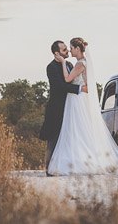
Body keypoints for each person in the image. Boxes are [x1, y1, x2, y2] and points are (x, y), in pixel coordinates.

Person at [47, 37, 118, 176]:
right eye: (65, 49)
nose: (69, 50)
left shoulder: (77, 64)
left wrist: (64, 63)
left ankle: (79, 161)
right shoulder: (75, 63)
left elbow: (67, 80)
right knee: (75, 130)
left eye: (70, 48)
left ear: (77, 49)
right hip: (74, 100)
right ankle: (76, 158)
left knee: (77, 129)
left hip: (77, 101)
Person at [39, 40, 88, 177]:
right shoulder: (52, 67)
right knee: (53, 138)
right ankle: (49, 169)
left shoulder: (70, 64)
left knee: (67, 137)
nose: (67, 52)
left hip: (70, 107)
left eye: (67, 49)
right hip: (56, 107)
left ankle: (63, 166)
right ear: (57, 53)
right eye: (64, 50)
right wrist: (80, 89)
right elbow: (60, 86)